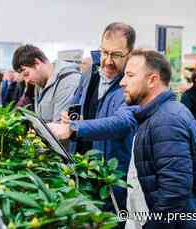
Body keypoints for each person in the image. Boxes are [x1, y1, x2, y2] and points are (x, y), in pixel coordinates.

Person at [49, 22, 137, 222]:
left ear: (130, 53)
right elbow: (77, 102)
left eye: (116, 55)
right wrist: (70, 117)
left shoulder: (131, 84)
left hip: (111, 180)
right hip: (83, 172)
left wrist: (73, 128)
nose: (107, 61)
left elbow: (120, 122)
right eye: (104, 52)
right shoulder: (90, 73)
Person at [120, 49, 196, 228]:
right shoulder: (156, 116)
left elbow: (174, 194)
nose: (123, 82)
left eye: (130, 75)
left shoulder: (167, 121)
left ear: (152, 79)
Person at [12, 44, 82, 123]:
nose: (27, 80)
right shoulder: (40, 82)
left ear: (37, 63)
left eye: (26, 74)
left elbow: (59, 128)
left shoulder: (68, 81)